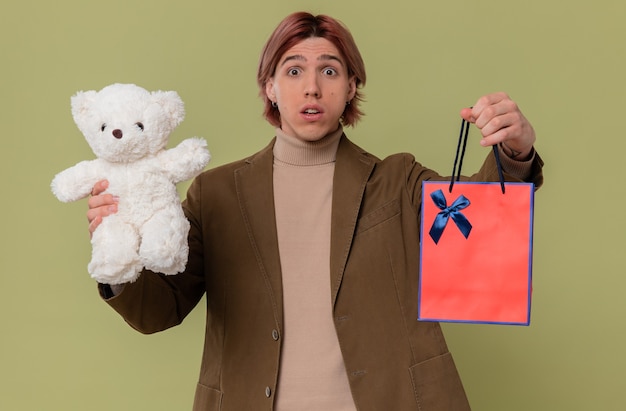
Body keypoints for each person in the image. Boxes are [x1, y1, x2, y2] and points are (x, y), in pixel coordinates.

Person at [87, 11, 543, 411]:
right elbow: (159, 311)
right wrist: (118, 256)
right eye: (293, 70)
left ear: (350, 88)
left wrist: (516, 152)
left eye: (329, 70)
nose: (311, 86)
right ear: (270, 86)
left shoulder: (397, 181)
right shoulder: (217, 193)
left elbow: (478, 223)